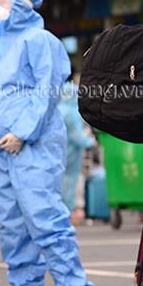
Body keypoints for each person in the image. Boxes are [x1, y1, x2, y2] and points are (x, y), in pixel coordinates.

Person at [0, 0, 94, 286]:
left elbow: (47, 90)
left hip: (30, 143)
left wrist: (24, 131)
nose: (0, 6)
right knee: (11, 219)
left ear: (24, 3)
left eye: (7, 0)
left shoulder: (41, 40)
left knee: (43, 212)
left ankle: (73, 285)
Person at [58, 75, 94, 224]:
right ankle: (69, 212)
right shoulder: (72, 112)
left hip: (57, 151)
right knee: (70, 182)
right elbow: (77, 137)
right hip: (72, 153)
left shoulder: (58, 109)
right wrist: (90, 142)